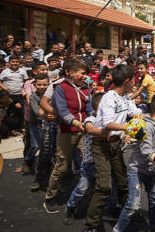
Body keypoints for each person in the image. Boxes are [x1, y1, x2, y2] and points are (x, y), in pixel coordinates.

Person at [83, 64, 143, 231]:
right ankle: (90, 225)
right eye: (134, 79)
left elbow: (137, 112)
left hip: (115, 143)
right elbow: (108, 123)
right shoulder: (109, 97)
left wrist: (144, 119)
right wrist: (129, 128)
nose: (135, 82)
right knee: (104, 186)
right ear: (127, 81)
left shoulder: (125, 97)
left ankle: (126, 214)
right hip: (101, 144)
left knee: (123, 182)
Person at [113, 92, 155, 232]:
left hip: (151, 169)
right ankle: (117, 229)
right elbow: (146, 150)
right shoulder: (146, 125)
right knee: (133, 205)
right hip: (137, 169)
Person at [44, 59, 93, 214]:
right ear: (70, 73)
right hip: (67, 131)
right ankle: (50, 197)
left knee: (88, 162)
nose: (85, 76)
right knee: (62, 165)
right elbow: (63, 111)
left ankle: (87, 193)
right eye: (82, 73)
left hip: (84, 130)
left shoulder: (86, 89)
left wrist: (93, 119)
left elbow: (90, 108)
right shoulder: (60, 88)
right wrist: (77, 123)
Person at [64, 93, 108, 223]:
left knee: (103, 189)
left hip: (104, 162)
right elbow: (90, 130)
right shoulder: (91, 119)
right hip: (90, 163)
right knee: (82, 188)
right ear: (96, 108)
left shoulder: (110, 122)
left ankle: (98, 211)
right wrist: (112, 131)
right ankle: (70, 207)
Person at [23, 74, 49, 174]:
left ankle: (44, 166)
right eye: (39, 85)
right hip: (35, 124)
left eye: (44, 85)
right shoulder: (33, 97)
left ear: (48, 84)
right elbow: (35, 109)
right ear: (35, 85)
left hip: (48, 123)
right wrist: (46, 115)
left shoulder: (51, 95)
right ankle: (28, 161)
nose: (42, 87)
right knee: (36, 145)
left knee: (46, 146)